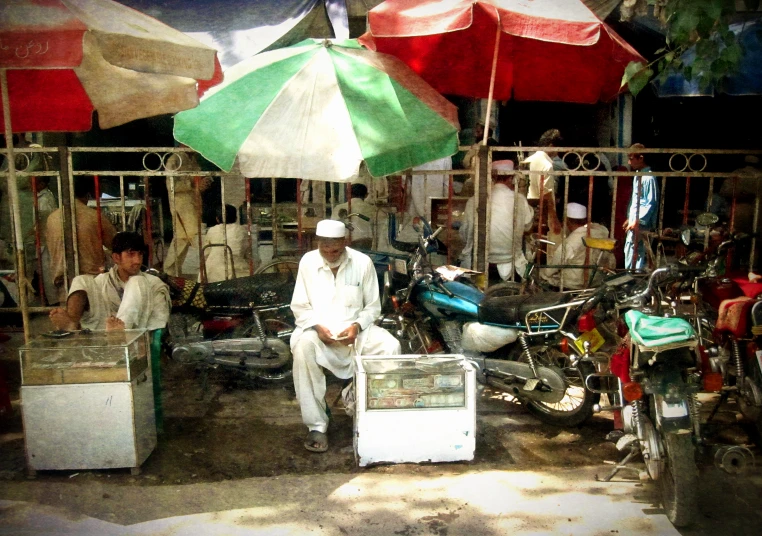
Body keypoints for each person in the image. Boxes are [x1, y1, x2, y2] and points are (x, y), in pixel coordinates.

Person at [290, 220, 401, 453]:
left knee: (390, 346)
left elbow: (372, 308)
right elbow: (300, 306)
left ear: (345, 243)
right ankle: (317, 425)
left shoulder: (363, 262)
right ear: (317, 243)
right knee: (302, 349)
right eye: (325, 249)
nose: (331, 255)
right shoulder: (308, 262)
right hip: (319, 332)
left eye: (336, 250)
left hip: (356, 332)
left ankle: (372, 410)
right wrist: (318, 328)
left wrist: (357, 326)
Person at [49, 232, 170, 332]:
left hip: (137, 335)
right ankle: (72, 325)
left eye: (140, 255)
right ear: (116, 258)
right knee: (81, 280)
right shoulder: (103, 281)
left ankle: (120, 332)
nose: (137, 261)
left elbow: (158, 322)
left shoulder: (153, 283)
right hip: (104, 332)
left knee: (137, 281)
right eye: (131, 254)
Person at [46, 178, 117, 305]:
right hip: (92, 278)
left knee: (69, 312)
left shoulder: (52, 218)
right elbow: (114, 243)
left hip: (62, 278)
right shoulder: (94, 216)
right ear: (88, 195)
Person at [540, 203, 615, 289]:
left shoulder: (571, 242)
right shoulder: (601, 233)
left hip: (574, 285)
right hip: (599, 281)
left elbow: (551, 269)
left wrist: (543, 273)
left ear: (567, 221)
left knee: (544, 275)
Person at [164, 149, 211, 276]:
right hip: (182, 207)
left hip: (193, 205)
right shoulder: (174, 160)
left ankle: (170, 272)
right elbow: (171, 185)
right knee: (191, 237)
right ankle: (211, 266)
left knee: (182, 240)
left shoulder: (193, 160)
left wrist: (202, 183)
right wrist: (193, 183)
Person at [487, 160, 534, 281]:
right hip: (512, 258)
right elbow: (528, 227)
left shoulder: (478, 199)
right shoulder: (519, 199)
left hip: (484, 258)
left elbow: (465, 232)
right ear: (510, 178)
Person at [622, 143, 659, 270]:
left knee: (636, 253)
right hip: (636, 221)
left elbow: (650, 202)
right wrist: (630, 218)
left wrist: (638, 220)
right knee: (631, 250)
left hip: (641, 224)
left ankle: (634, 281)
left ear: (641, 158)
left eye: (631, 158)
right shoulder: (639, 175)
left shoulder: (648, 177)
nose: (629, 161)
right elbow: (637, 200)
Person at [522, 129, 563, 237]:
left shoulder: (529, 160)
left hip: (527, 208)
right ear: (551, 146)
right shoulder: (546, 165)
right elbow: (547, 193)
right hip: (541, 212)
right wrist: (554, 218)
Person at [201, 204, 251, 283]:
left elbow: (205, 254)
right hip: (237, 274)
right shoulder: (242, 231)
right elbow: (250, 255)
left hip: (213, 274)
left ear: (217, 219)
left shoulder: (212, 230)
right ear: (236, 218)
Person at [331, 183, 375, 248]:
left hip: (343, 243)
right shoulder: (372, 209)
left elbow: (333, 227)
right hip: (365, 243)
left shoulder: (338, 207)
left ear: (347, 194)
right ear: (366, 195)